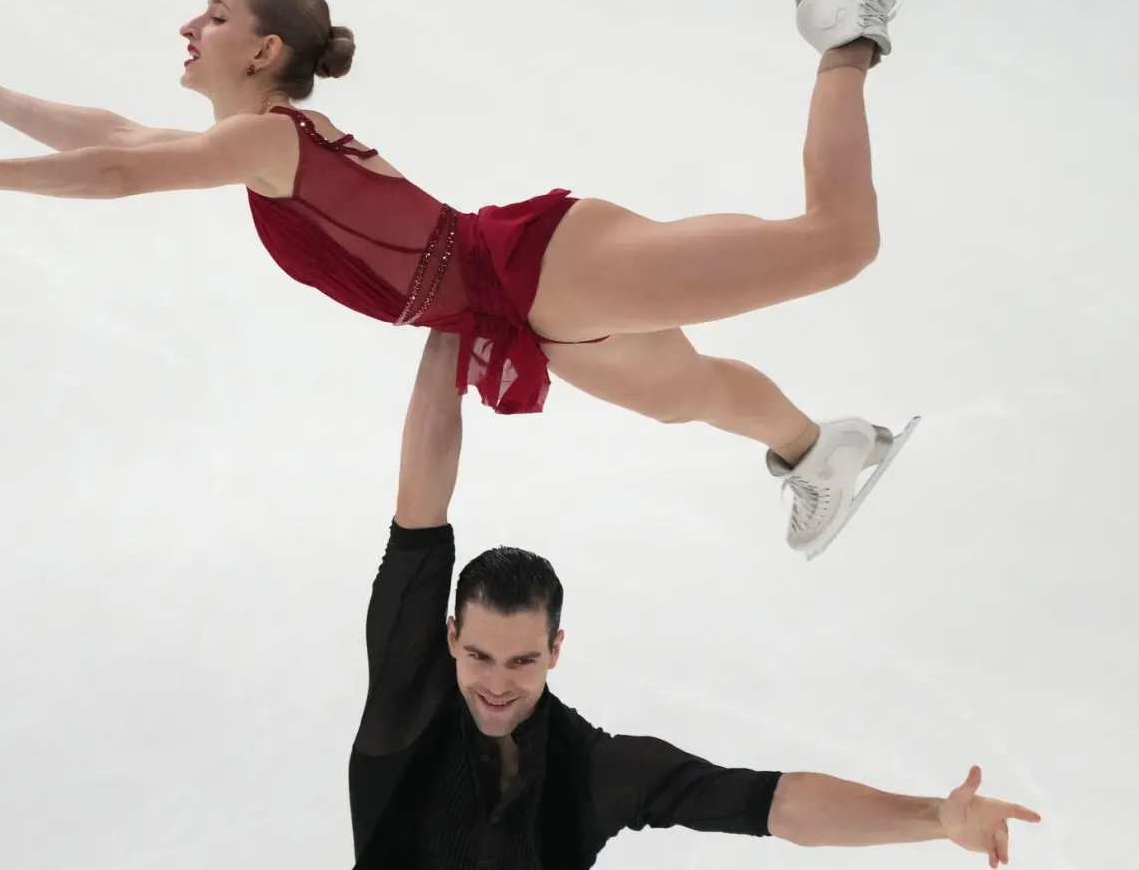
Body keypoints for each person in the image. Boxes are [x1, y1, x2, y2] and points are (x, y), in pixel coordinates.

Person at [0, 0, 921, 558]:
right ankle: (816, 453)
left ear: (263, 51)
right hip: (522, 301)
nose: (191, 24)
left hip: (540, 265)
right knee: (682, 393)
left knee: (839, 243)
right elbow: (118, 139)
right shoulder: (259, 143)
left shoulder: (265, 140)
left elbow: (116, 176)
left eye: (217, 13)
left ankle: (841, 23)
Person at [339, 327, 1037, 869]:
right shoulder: (413, 689)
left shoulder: (590, 772)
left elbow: (770, 803)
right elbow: (419, 508)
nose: (496, 683)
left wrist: (933, 820)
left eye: (521, 661)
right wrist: (451, 324)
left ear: (556, 650)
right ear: (450, 635)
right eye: (481, 655)